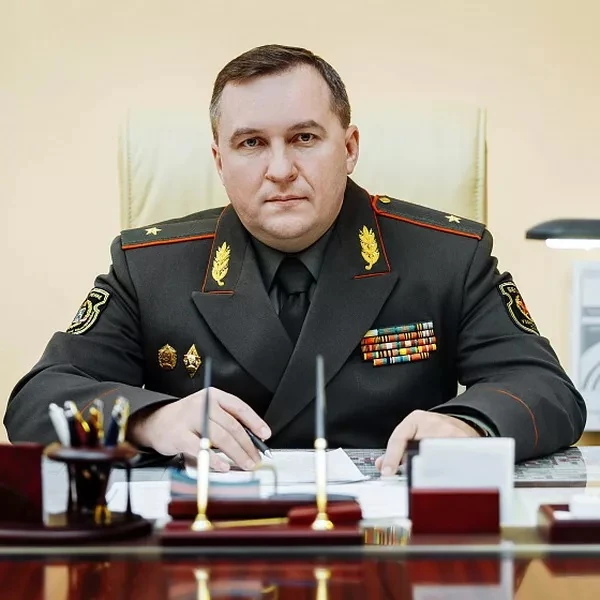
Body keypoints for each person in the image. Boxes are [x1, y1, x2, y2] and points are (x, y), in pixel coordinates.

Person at [4, 44, 586, 475]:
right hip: (206, 551)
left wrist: (468, 424)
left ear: (349, 148)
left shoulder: (447, 256)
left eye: (304, 138)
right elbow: (37, 400)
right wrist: (148, 420)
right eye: (251, 143)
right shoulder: (150, 266)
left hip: (386, 550)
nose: (280, 170)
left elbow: (544, 388)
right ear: (219, 160)